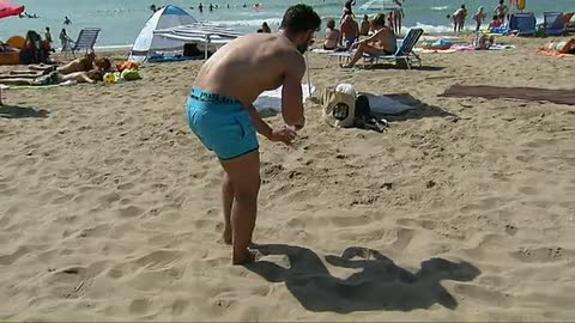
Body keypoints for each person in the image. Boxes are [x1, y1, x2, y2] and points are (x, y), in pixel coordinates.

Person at [184, 4, 320, 265]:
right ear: (305, 34)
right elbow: (292, 114)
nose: (311, 43)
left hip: (196, 106)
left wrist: (269, 133)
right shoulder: (292, 56)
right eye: (311, 37)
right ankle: (241, 254)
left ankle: (230, 233)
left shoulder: (253, 39)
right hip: (223, 115)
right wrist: (297, 122)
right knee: (248, 189)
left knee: (234, 173)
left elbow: (242, 99)